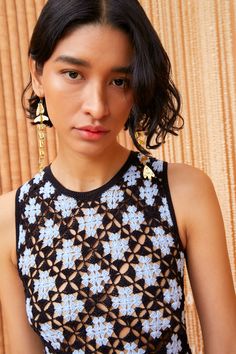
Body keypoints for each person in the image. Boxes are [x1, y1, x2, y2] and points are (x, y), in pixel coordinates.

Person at [0, 0, 235, 353]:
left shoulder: (185, 192)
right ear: (37, 75)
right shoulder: (9, 220)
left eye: (119, 80)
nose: (97, 106)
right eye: (74, 74)